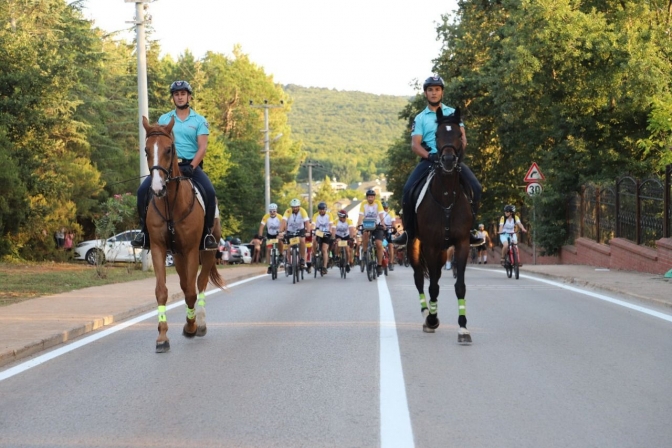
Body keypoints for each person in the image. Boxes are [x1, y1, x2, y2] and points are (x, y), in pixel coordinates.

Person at [392, 75, 483, 247]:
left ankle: (470, 230)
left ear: (442, 92)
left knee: (476, 188)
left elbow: (463, 140)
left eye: (437, 89)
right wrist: (430, 156)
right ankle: (409, 232)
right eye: (430, 90)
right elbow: (415, 145)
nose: (434, 93)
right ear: (425, 93)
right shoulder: (420, 118)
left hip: (452, 160)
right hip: (430, 160)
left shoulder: (452, 113)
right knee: (407, 191)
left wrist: (456, 156)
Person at [132, 80, 218, 251]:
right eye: (176, 94)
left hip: (190, 166)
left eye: (183, 94)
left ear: (189, 96)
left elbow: (202, 147)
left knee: (209, 191)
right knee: (142, 191)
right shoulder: (164, 119)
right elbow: (156, 143)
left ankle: (207, 234)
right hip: (165, 167)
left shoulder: (199, 120)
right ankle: (144, 233)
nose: (179, 97)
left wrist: (192, 166)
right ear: (173, 97)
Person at [357, 189, 385, 276]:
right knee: (365, 234)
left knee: (379, 244)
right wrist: (358, 224)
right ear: (367, 197)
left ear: (374, 197)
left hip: (377, 225)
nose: (370, 198)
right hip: (367, 224)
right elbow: (361, 215)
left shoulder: (378, 203)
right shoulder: (363, 204)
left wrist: (383, 224)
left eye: (372, 197)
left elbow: (381, 215)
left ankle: (379, 265)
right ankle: (365, 253)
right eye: (369, 197)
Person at [280, 198, 311, 272]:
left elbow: (307, 222)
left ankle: (302, 258)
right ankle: (289, 263)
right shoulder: (288, 211)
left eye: (296, 207)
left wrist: (308, 231)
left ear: (299, 206)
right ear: (291, 207)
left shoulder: (302, 211)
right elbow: (284, 221)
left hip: (300, 230)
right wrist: (280, 231)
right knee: (289, 245)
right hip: (290, 230)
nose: (295, 208)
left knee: (302, 241)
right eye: (293, 207)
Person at [311, 202, 334, 275]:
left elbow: (330, 224)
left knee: (324, 249)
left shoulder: (329, 215)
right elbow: (313, 224)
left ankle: (324, 266)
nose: (321, 211)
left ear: (325, 209)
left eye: (323, 209)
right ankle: (314, 254)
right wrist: (313, 229)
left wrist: (330, 230)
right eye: (320, 209)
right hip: (319, 232)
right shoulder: (315, 215)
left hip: (326, 233)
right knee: (314, 239)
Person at [381, 201, 396, 271]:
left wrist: (393, 228)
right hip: (381, 230)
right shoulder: (380, 212)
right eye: (384, 207)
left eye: (386, 207)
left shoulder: (391, 213)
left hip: (389, 231)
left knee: (390, 245)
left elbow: (393, 222)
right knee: (380, 245)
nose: (385, 209)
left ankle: (391, 263)